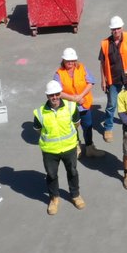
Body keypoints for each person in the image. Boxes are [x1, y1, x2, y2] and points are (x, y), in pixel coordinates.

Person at [34, 80, 84, 215]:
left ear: (60, 94)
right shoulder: (39, 113)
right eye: (51, 95)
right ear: (47, 96)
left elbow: (76, 124)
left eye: (57, 94)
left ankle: (75, 195)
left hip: (69, 148)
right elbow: (38, 130)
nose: (54, 97)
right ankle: (54, 198)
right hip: (50, 151)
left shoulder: (71, 107)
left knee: (72, 172)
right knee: (51, 175)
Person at [98, 15, 127, 143]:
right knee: (112, 104)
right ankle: (108, 128)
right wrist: (103, 80)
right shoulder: (105, 44)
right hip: (113, 79)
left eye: (118, 28)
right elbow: (102, 62)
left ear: (122, 28)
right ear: (111, 30)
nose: (116, 31)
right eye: (113, 29)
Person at [55, 47, 102, 158]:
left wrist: (81, 96)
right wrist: (74, 99)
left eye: (72, 60)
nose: (70, 63)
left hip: (84, 104)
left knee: (87, 126)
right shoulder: (59, 74)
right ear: (63, 61)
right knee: (73, 128)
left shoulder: (82, 68)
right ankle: (77, 147)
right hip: (69, 107)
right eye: (68, 60)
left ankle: (90, 148)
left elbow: (90, 82)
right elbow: (57, 92)